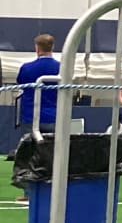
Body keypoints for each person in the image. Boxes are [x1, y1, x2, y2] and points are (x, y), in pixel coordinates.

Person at [15, 34, 60, 202]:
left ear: (37, 47)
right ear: (52, 47)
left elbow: (21, 85)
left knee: (31, 155)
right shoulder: (62, 67)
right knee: (54, 154)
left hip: (31, 117)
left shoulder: (26, 68)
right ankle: (53, 192)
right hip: (55, 116)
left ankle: (30, 193)